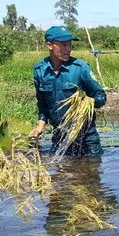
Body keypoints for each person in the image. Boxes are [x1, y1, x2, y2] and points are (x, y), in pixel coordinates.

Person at [31, 25, 107, 156]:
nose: (68, 49)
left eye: (69, 45)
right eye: (63, 45)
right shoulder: (40, 71)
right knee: (60, 173)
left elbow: (101, 96)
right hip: (60, 136)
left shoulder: (80, 68)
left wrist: (88, 101)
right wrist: (40, 126)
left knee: (92, 172)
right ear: (49, 45)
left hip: (87, 138)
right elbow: (43, 105)